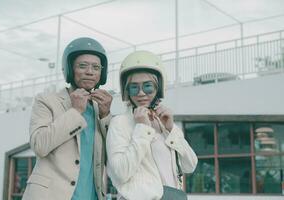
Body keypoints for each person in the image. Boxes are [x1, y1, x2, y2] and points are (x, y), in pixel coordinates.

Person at [22, 37, 113, 200]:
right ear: (70, 69)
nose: (90, 72)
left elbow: (114, 158)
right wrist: (75, 111)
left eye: (96, 67)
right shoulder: (46, 100)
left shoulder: (101, 109)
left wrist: (106, 116)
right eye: (82, 66)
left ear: (102, 73)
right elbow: (40, 145)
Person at [106, 50, 198, 200]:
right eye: (134, 87)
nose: (141, 93)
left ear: (158, 88)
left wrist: (171, 129)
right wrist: (142, 128)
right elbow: (120, 173)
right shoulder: (120, 123)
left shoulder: (163, 123)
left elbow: (190, 165)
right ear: (126, 91)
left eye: (147, 86)